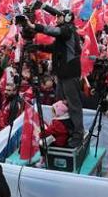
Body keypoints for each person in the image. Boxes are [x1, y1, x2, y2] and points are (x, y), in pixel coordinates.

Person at [27, 9, 84, 147]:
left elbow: (54, 31)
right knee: (61, 105)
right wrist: (37, 47)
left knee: (73, 106)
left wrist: (35, 26)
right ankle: (64, 130)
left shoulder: (68, 30)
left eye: (59, 16)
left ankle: (78, 135)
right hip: (62, 75)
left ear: (68, 18)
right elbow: (54, 48)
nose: (56, 18)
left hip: (70, 74)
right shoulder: (63, 34)